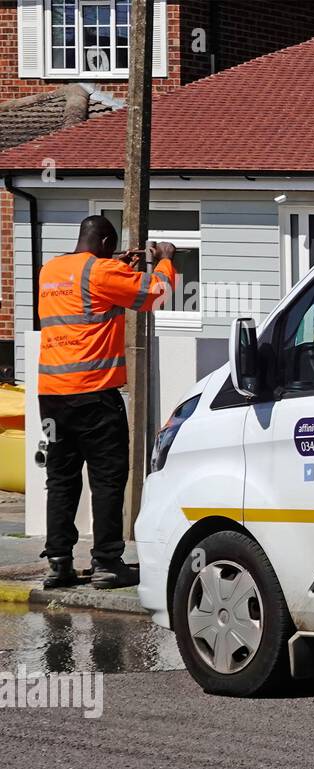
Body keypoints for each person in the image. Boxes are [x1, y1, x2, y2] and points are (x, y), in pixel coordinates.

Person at [37, 214, 176, 590]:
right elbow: (155, 294)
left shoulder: (49, 271)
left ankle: (59, 563)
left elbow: (89, 288)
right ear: (103, 244)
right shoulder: (100, 273)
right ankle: (107, 562)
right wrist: (165, 259)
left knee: (61, 479)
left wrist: (115, 264)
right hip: (94, 395)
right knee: (107, 478)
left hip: (51, 397)